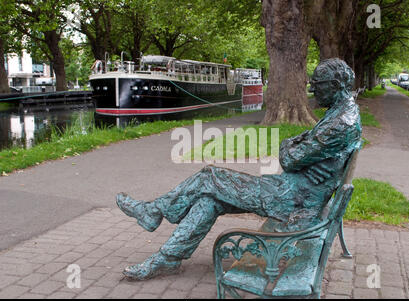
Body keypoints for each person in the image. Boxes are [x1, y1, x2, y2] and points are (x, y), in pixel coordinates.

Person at [116, 58, 362, 280]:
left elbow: (288, 158)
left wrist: (292, 148)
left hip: (291, 201)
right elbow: (293, 150)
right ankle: (167, 258)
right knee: (208, 200)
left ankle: (153, 211)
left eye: (317, 83)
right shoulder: (342, 112)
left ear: (334, 84)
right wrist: (295, 148)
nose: (311, 88)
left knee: (208, 177)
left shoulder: (340, 123)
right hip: (294, 192)